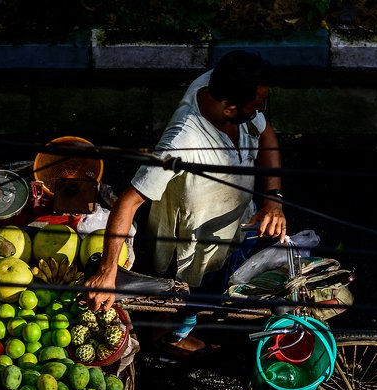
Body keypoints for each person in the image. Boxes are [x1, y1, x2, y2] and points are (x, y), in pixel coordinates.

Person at [84, 49, 287, 357]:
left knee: (213, 285)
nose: (262, 110)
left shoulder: (219, 86)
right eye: (257, 105)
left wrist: (273, 200)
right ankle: (166, 337)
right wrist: (108, 271)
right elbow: (127, 202)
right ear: (230, 108)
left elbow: (267, 136)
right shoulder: (181, 143)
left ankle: (185, 324)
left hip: (234, 227)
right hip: (187, 245)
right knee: (182, 294)